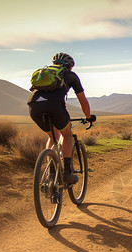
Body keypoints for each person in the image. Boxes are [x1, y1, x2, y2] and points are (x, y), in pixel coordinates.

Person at [28, 52, 96, 184]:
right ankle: (66, 174)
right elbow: (82, 100)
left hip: (33, 106)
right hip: (55, 106)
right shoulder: (71, 75)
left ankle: (52, 173)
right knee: (67, 134)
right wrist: (88, 117)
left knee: (52, 136)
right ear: (69, 66)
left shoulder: (44, 74)